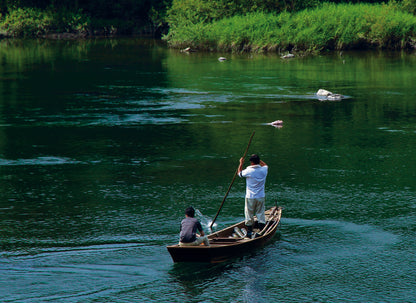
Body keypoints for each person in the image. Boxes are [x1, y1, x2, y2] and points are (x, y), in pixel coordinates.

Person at [237, 154, 268, 238]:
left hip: (250, 196)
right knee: (260, 213)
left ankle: (249, 232)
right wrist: (259, 160)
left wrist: (241, 163)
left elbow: (239, 173)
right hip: (260, 196)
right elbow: (265, 165)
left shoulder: (248, 170)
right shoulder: (264, 170)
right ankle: (261, 231)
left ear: (251, 162)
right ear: (259, 161)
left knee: (249, 213)